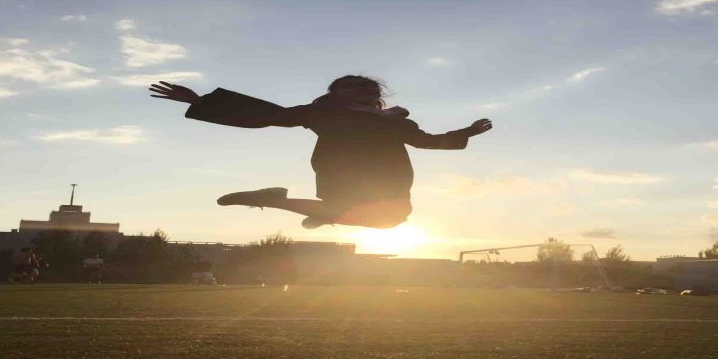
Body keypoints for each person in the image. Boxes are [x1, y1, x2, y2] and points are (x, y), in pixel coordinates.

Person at [149, 76, 493, 229]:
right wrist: (198, 100)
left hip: (390, 181)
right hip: (341, 174)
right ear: (336, 94)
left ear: (376, 95)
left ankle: (289, 203)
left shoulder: (395, 121)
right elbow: (267, 115)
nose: (364, 89)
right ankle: (283, 202)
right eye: (353, 85)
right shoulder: (321, 114)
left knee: (389, 221)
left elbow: (427, 141)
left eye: (368, 87)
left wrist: (468, 132)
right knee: (343, 211)